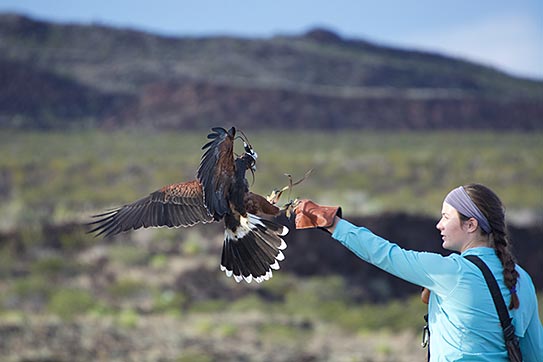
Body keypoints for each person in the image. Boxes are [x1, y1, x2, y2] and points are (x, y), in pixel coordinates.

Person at [294, 183, 543, 361]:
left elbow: (385, 254)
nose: (439, 225)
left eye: (446, 217)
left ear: (471, 224)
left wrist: (332, 223)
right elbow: (534, 354)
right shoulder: (523, 280)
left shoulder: (449, 272)